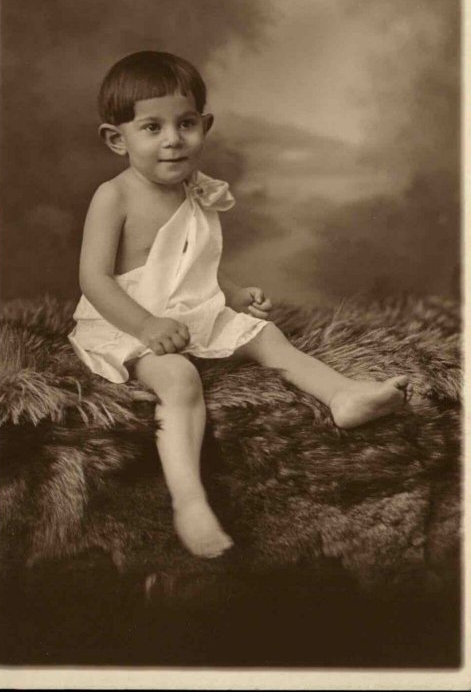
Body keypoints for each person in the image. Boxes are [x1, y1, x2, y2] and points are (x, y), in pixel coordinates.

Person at [69, 51, 412, 559]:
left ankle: (343, 396)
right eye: (152, 127)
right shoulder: (114, 197)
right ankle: (189, 501)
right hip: (126, 321)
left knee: (268, 336)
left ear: (205, 125)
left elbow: (190, 266)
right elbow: (95, 280)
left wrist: (232, 296)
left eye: (186, 124)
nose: (172, 139)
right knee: (178, 378)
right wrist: (146, 327)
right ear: (117, 139)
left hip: (185, 312)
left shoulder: (193, 191)